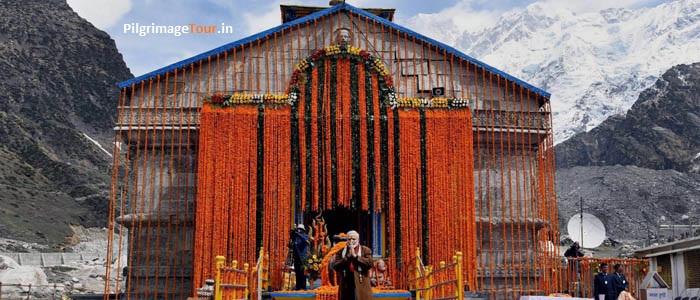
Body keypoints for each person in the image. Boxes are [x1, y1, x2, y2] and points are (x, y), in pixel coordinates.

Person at [333, 230, 373, 300]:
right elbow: (336, 266)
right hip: (346, 281)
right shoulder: (341, 251)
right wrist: (347, 257)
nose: (351, 241)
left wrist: (356, 257)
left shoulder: (365, 250)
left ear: (358, 239)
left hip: (361, 280)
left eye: (353, 239)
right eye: (349, 239)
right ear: (346, 240)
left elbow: (369, 264)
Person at [289, 224, 310, 290]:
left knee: (303, 272)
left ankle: (303, 287)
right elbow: (291, 245)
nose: (299, 231)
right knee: (297, 272)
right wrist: (292, 237)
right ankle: (298, 287)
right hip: (296, 256)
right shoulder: (296, 238)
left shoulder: (305, 236)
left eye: (300, 230)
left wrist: (298, 234)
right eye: (298, 229)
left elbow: (305, 241)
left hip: (303, 256)